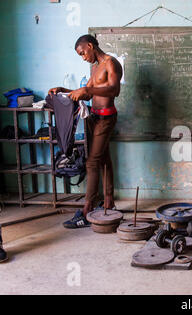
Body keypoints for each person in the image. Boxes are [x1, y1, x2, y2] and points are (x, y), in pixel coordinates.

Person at [48, 34, 123, 229]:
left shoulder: (111, 63)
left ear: (90, 46)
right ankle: (108, 202)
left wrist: (88, 92)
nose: (83, 57)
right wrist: (64, 89)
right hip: (94, 117)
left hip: (106, 118)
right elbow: (87, 90)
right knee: (104, 159)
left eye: (83, 53)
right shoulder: (96, 67)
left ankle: (86, 210)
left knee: (92, 162)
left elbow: (114, 90)